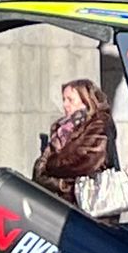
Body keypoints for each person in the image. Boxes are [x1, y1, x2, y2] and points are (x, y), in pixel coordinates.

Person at [32, 79, 117, 209]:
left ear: (86, 101)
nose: (65, 105)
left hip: (92, 202)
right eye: (63, 99)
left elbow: (86, 161)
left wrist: (51, 168)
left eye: (70, 100)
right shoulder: (61, 129)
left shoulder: (99, 124)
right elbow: (40, 168)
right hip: (62, 202)